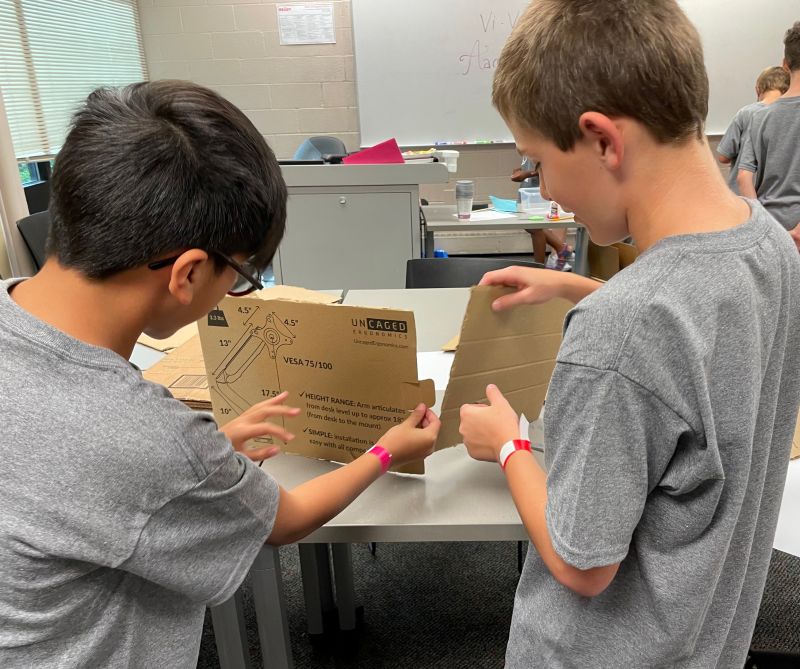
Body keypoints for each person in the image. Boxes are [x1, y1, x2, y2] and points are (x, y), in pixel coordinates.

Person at [0, 80, 440, 667]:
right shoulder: (145, 438)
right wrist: (385, 451)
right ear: (187, 273)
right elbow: (283, 522)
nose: (234, 292)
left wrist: (207, 453)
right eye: (239, 277)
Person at [457, 1, 800, 667]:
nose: (550, 193)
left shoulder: (623, 329)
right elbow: (698, 348)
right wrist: (576, 287)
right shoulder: (769, 243)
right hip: (704, 639)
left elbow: (583, 563)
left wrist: (508, 445)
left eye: (538, 162)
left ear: (603, 140)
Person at [737, 21, 800, 247]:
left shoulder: (758, 116)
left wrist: (765, 227)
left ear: (785, 65)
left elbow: (744, 177)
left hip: (771, 230)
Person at [717, 66, 789, 193]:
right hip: (774, 194)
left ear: (758, 90)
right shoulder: (788, 115)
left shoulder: (745, 113)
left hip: (742, 195)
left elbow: (723, 157)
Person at [513, 156, 574, 269]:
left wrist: (525, 174)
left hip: (535, 194)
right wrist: (520, 171)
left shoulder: (536, 143)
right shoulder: (525, 145)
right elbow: (530, 166)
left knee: (534, 227)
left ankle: (545, 261)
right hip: (528, 191)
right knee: (535, 229)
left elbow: (546, 167)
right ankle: (556, 252)